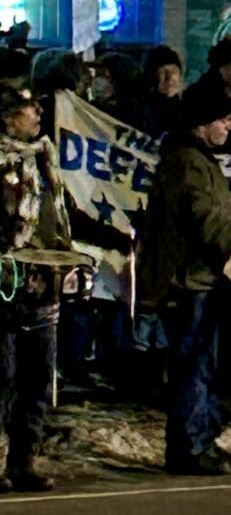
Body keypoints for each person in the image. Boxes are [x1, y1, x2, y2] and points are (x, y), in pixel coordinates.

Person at [138, 83, 231, 476]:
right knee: (194, 366)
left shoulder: (196, 160)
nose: (229, 127)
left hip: (200, 279)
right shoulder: (190, 163)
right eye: (223, 120)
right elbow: (211, 228)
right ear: (203, 123)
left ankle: (202, 438)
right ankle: (190, 447)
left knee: (202, 364)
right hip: (189, 282)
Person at [0, 81, 71, 492]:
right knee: (3, 376)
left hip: (43, 285)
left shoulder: (45, 159)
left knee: (37, 379)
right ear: (10, 119)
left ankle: (23, 461)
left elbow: (61, 214)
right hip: (5, 287)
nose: (39, 115)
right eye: (31, 110)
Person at [139, 46, 184, 139]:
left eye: (174, 71)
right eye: (162, 71)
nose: (170, 77)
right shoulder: (140, 110)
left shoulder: (187, 110)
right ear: (151, 77)